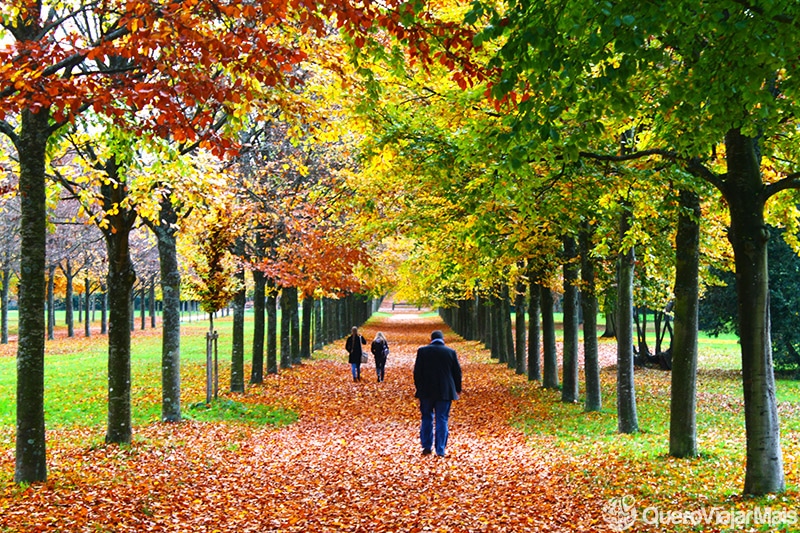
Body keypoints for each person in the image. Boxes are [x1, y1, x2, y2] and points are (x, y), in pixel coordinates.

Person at [413, 329, 462, 457]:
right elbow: (457, 373)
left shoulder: (422, 351)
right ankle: (440, 449)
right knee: (442, 419)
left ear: (431, 339)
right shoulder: (450, 352)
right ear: (443, 339)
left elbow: (417, 372)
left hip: (426, 391)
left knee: (427, 418)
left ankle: (427, 446)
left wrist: (419, 387)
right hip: (445, 391)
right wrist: (457, 389)